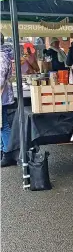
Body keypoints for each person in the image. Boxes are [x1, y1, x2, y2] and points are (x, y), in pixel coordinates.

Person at [0, 33, 17, 167]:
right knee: (1, 125)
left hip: (2, 96)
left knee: (4, 125)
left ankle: (8, 152)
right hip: (4, 95)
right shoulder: (4, 55)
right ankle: (4, 150)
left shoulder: (1, 57)